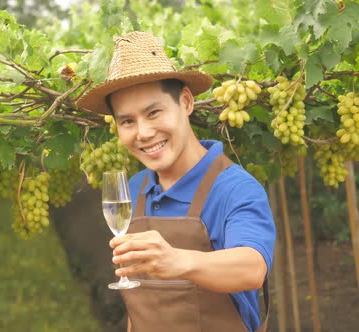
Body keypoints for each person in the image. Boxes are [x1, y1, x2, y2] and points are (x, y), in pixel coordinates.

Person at [77, 31, 275, 332]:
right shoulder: (133, 189)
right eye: (127, 121)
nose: (143, 133)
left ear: (185, 102)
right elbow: (139, 301)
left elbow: (252, 268)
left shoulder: (234, 187)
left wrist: (177, 261)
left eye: (154, 112)